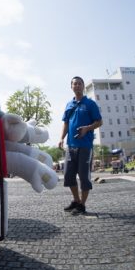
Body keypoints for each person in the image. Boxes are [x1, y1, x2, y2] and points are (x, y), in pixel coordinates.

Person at [58, 76, 103, 215]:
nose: (77, 86)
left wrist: (87, 128)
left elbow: (99, 122)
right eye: (74, 84)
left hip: (85, 146)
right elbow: (66, 123)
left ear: (83, 86)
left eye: (79, 83)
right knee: (69, 176)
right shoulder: (69, 105)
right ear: (71, 87)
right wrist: (61, 138)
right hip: (70, 146)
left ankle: (82, 205)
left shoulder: (90, 104)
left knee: (84, 177)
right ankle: (76, 200)